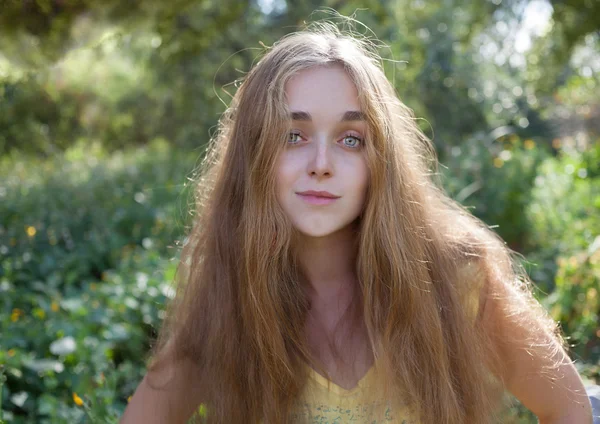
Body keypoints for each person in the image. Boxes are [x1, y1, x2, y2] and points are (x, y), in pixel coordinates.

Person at [120, 18, 594, 424]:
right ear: (253, 154)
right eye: (293, 135)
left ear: (380, 159)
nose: (322, 163)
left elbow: (570, 408)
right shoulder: (229, 296)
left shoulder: (458, 278)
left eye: (350, 139)